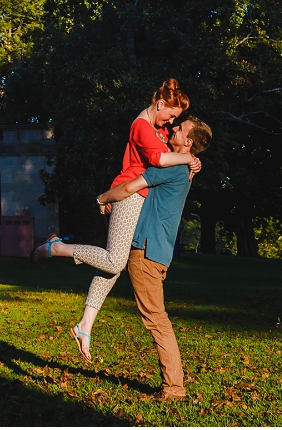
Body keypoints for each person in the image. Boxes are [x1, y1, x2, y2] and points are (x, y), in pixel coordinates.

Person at [31, 79, 200, 361]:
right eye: (171, 115)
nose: (171, 123)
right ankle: (57, 248)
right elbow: (158, 160)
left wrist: (192, 160)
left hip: (142, 199)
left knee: (113, 265)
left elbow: (176, 151)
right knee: (115, 261)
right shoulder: (141, 126)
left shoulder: (159, 127)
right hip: (129, 194)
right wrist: (189, 158)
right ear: (160, 105)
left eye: (176, 120)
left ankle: (85, 326)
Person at [101, 114, 213, 400]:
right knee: (156, 317)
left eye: (180, 128)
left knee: (156, 319)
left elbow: (129, 187)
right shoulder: (183, 167)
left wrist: (102, 198)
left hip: (146, 252)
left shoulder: (173, 169)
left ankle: (174, 387)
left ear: (188, 142)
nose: (173, 128)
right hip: (155, 251)